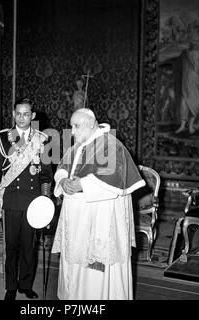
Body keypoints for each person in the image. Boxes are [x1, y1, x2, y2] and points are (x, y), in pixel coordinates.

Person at [51, 108, 146, 300]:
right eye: (72, 126)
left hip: (99, 219)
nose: (73, 131)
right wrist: (62, 181)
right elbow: (62, 167)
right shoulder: (78, 146)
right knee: (75, 264)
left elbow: (113, 178)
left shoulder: (111, 145)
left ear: (91, 124)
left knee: (95, 273)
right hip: (78, 218)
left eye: (76, 126)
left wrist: (81, 184)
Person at [0, 97, 52, 300]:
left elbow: (46, 174)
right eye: (18, 113)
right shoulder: (3, 138)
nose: (22, 117)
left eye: (26, 114)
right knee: (10, 247)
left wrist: (45, 202)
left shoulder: (42, 139)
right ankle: (10, 287)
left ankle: (25, 284)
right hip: (12, 201)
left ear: (32, 116)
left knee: (29, 246)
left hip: (34, 203)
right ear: (13, 114)